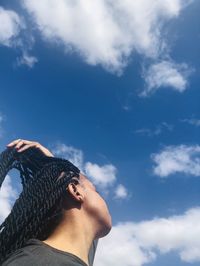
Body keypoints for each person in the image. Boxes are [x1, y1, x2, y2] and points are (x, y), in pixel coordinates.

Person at [0, 139, 112, 266]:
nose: (104, 200)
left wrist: (53, 162)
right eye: (96, 191)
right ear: (75, 191)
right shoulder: (34, 262)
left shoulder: (72, 254)